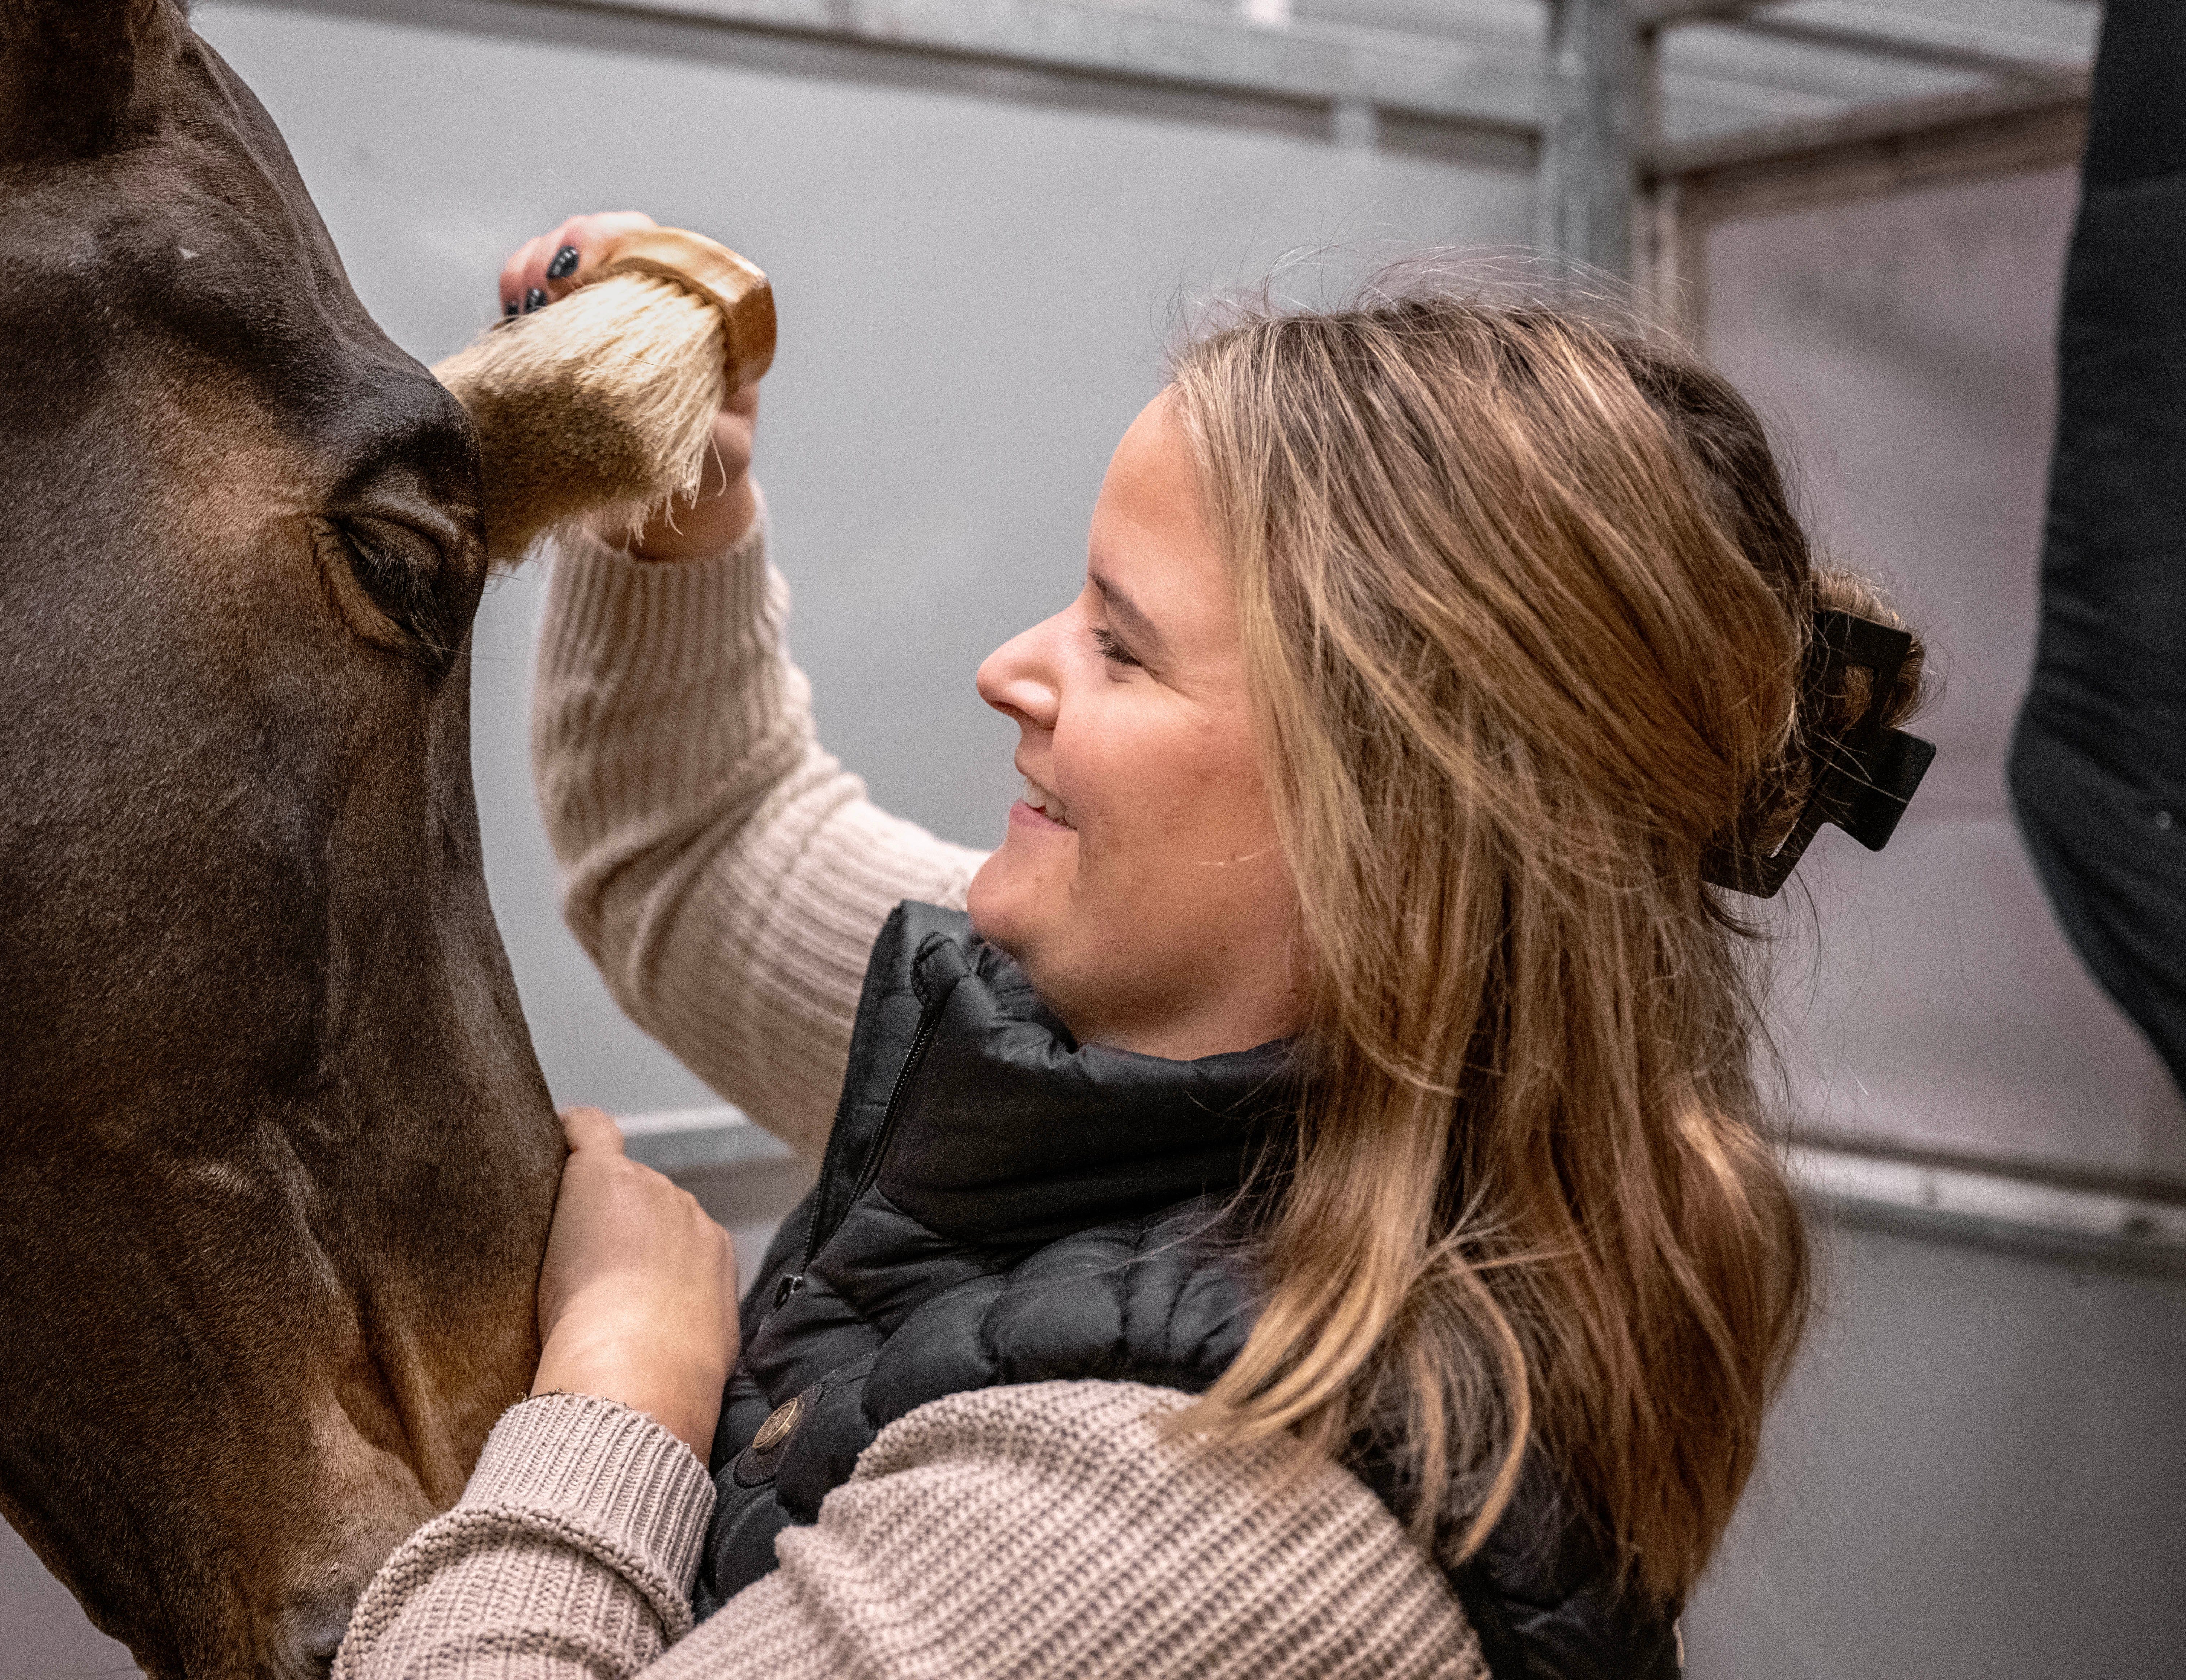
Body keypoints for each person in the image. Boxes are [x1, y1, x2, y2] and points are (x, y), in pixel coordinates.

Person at [336, 214, 1930, 1680]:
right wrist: (676, 510)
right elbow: (709, 861)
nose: (1008, 669)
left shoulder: (1205, 1525)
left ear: (1383, 831)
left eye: (1120, 643)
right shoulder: (1161, 1060)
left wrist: (615, 1394)